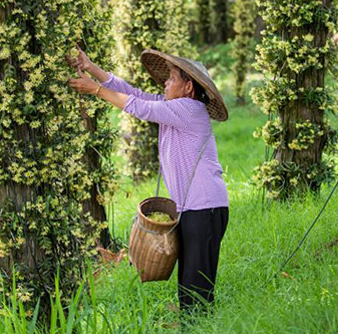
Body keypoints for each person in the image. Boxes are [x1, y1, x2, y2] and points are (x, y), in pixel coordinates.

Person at [67, 47, 230, 312]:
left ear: (188, 87)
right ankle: (191, 324)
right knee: (188, 279)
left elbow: (138, 107)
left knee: (197, 285)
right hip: (192, 208)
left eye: (172, 78)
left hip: (205, 207)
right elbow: (135, 94)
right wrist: (92, 68)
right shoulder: (173, 107)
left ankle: (198, 325)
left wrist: (95, 90)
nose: (165, 82)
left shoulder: (188, 109)